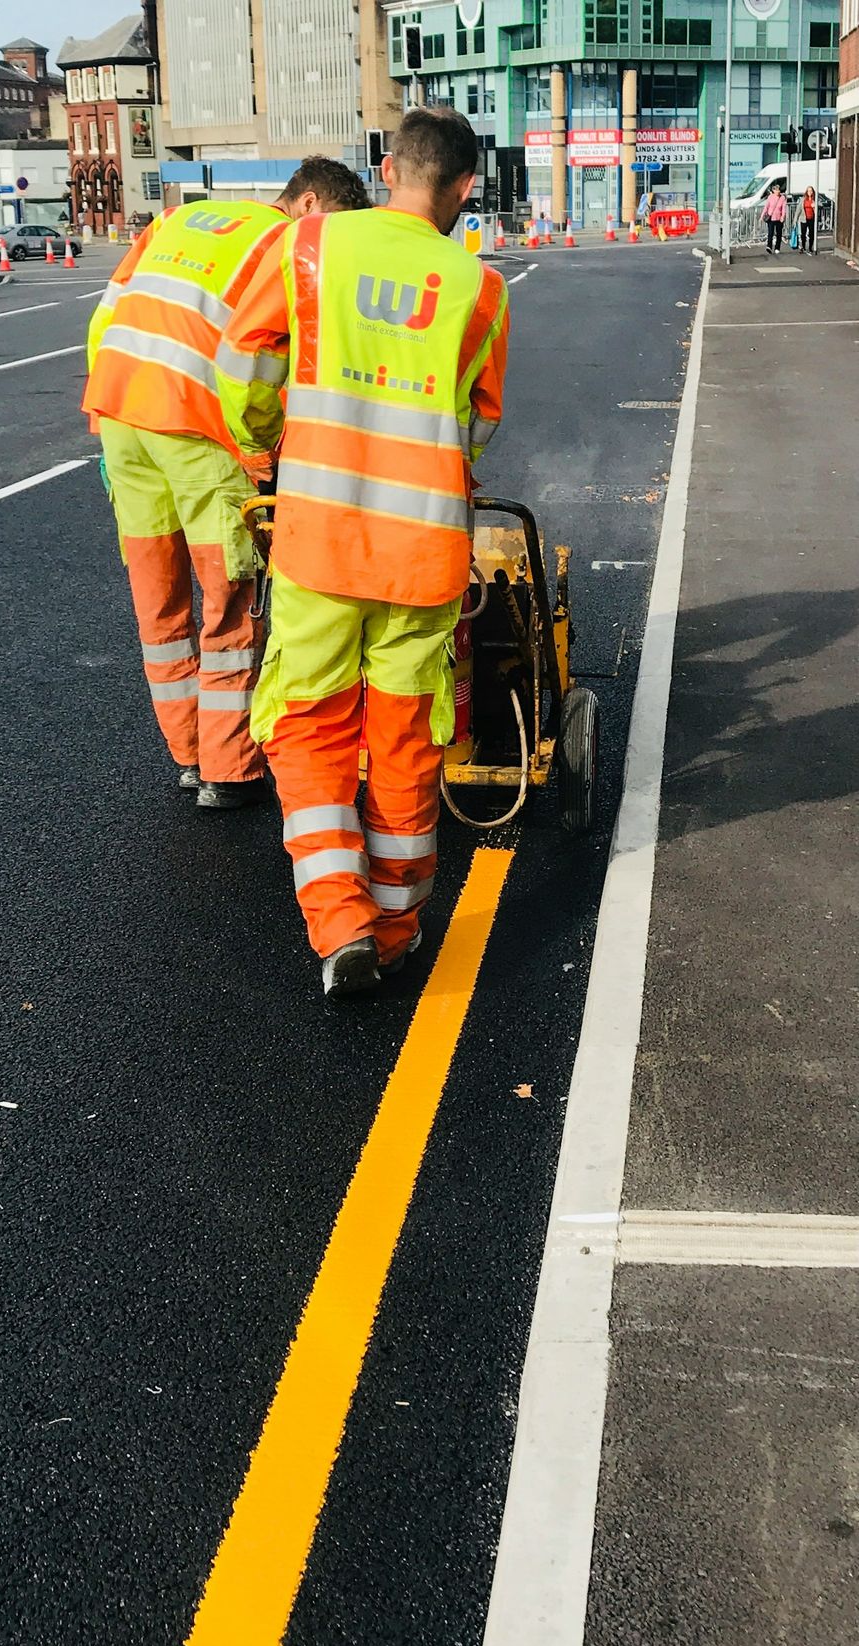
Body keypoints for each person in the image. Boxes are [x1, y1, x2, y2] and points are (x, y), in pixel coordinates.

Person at [215, 108, 509, 998]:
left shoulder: (306, 249)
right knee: (406, 734)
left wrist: (268, 446)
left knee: (307, 722)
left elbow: (243, 369)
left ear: (386, 169)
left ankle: (337, 920)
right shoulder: (480, 288)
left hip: (318, 541)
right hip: (420, 554)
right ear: (462, 188)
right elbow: (475, 427)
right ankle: (394, 928)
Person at [82, 158, 370, 809]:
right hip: (195, 426)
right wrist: (261, 456)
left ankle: (187, 753)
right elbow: (253, 369)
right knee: (229, 603)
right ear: (311, 205)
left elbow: (103, 322)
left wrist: (108, 422)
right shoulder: (286, 242)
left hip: (123, 414)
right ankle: (228, 769)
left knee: (158, 604)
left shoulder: (176, 220)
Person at [764, 182, 788, 254]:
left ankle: (777, 248)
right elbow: (766, 207)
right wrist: (762, 216)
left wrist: (783, 217)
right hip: (771, 218)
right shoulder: (770, 197)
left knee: (779, 234)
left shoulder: (782, 198)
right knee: (770, 233)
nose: (778, 191)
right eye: (777, 190)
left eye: (779, 190)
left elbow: (784, 208)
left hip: (779, 218)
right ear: (773, 190)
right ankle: (769, 246)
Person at [800, 183, 817, 254]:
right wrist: (795, 220)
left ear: (813, 192)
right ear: (806, 192)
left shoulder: (814, 200)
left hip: (811, 219)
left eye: (811, 191)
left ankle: (810, 247)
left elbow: (818, 209)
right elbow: (799, 209)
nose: (809, 192)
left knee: (811, 234)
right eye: (808, 191)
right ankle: (803, 247)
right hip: (804, 218)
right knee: (803, 233)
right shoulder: (803, 199)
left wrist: (814, 207)